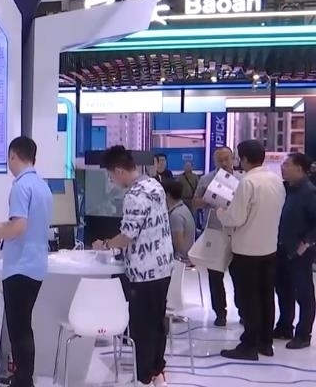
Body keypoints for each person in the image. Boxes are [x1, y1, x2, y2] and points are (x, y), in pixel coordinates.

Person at [93, 145, 173, 387]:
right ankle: (157, 371)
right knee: (157, 323)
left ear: (118, 171)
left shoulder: (133, 195)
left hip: (144, 272)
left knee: (142, 327)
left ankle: (143, 377)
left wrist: (105, 244)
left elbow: (127, 235)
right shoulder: (154, 185)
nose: (112, 181)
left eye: (111, 176)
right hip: (163, 266)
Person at [0, 137, 52, 387]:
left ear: (13, 155)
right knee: (23, 326)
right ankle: (23, 377)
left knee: (19, 329)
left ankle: (23, 381)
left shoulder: (20, 187)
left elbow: (18, 226)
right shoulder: (42, 186)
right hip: (35, 266)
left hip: (19, 267)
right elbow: (20, 222)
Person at [216, 140, 285, 361]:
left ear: (244, 159)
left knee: (249, 299)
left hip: (247, 251)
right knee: (266, 297)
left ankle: (249, 345)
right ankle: (266, 342)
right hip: (269, 248)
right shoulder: (276, 180)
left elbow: (236, 218)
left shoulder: (247, 182)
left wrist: (220, 211)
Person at [274, 153, 316, 350]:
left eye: (287, 164)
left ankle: (304, 334)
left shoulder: (309, 192)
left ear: (299, 168)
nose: (283, 167)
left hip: (300, 251)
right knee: (283, 289)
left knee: (303, 292)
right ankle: (284, 326)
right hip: (283, 247)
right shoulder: (288, 189)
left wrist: (306, 242)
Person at [192, 147, 236, 326]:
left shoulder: (242, 179)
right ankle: (220, 313)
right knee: (215, 276)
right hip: (214, 231)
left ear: (233, 158)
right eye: (220, 160)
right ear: (214, 161)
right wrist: (210, 198)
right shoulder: (206, 179)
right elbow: (195, 202)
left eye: (226, 159)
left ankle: (243, 311)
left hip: (237, 233)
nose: (224, 163)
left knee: (239, 275)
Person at [164, 180, 196, 262]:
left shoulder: (176, 215)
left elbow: (179, 246)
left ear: (167, 195)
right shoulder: (183, 208)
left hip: (181, 260)